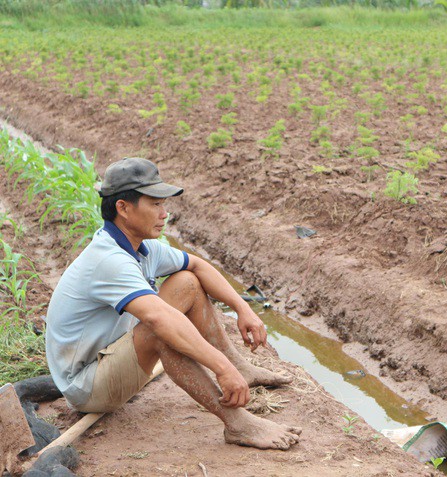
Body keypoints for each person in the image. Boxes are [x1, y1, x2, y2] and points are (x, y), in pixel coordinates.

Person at [45, 157, 301, 450]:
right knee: (162, 331)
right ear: (123, 208)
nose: (164, 213)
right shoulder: (108, 261)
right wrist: (220, 368)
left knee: (187, 281)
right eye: (155, 204)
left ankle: (241, 367)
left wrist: (243, 309)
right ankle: (238, 423)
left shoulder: (140, 248)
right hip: (87, 387)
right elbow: (159, 320)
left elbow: (199, 266)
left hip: (111, 356)